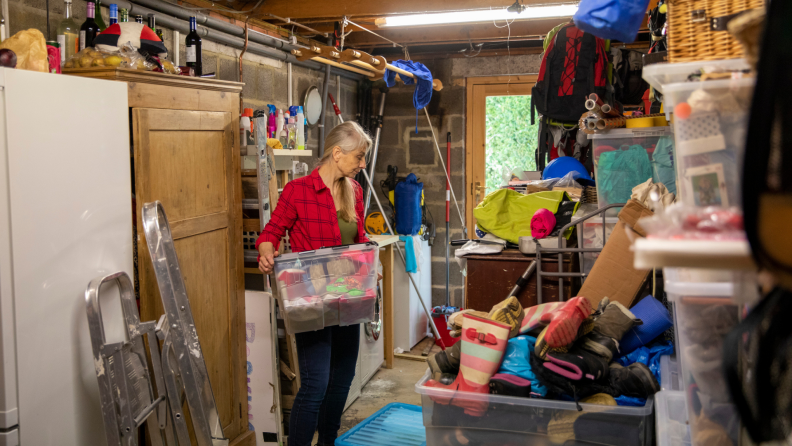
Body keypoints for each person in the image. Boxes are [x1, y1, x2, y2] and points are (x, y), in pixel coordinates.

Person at [256, 121, 377, 446]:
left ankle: (327, 443)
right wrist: (266, 250)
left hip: (348, 300)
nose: (362, 163)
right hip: (311, 303)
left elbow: (360, 239)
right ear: (337, 153)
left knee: (341, 381)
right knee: (315, 384)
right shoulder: (298, 191)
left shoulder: (355, 192)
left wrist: (370, 265)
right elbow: (271, 232)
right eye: (359, 156)